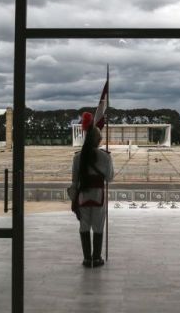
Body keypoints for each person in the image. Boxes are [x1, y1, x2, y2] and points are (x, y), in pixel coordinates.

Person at [70, 112, 114, 268]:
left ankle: (87, 259)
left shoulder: (77, 157)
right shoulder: (105, 157)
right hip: (98, 196)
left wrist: (73, 200)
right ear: (98, 140)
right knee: (98, 227)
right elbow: (109, 178)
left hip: (83, 196)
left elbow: (74, 181)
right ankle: (97, 258)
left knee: (84, 226)